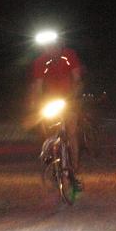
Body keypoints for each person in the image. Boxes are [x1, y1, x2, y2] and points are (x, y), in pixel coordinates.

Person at [31, 30, 85, 189]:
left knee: (71, 133)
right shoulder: (40, 61)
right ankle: (53, 161)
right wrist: (37, 102)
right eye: (47, 46)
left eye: (53, 45)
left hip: (69, 98)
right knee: (45, 127)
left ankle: (74, 170)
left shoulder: (69, 55)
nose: (51, 49)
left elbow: (77, 79)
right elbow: (38, 86)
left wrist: (74, 95)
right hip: (51, 100)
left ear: (59, 44)